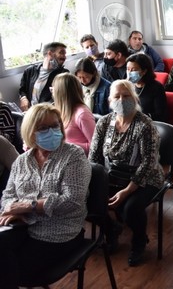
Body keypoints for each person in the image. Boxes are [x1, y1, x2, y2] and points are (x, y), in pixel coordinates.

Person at [0, 103, 91, 288]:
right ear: (30, 131)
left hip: (59, 232)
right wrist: (13, 209)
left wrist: (26, 206)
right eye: (43, 128)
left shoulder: (73, 156)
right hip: (23, 226)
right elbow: (7, 196)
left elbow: (71, 200)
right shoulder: (22, 161)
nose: (51, 132)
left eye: (55, 126)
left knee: (12, 270)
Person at [88, 80, 164, 267]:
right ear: (110, 100)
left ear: (135, 97)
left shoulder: (145, 125)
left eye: (126, 95)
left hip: (145, 177)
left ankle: (139, 241)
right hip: (113, 176)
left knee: (130, 209)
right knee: (88, 199)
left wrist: (127, 191)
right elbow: (94, 158)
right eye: (117, 96)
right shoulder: (104, 123)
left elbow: (148, 163)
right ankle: (111, 229)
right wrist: (95, 183)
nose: (121, 100)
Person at [52, 73, 96, 155]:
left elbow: (95, 146)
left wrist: (66, 146)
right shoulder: (59, 110)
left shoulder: (82, 114)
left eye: (53, 89)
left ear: (61, 92)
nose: (52, 93)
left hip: (78, 160)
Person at [18, 42, 68, 111]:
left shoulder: (64, 74)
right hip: (31, 112)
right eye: (61, 53)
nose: (65, 57)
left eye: (65, 54)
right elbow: (22, 89)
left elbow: (63, 97)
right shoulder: (30, 70)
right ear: (50, 54)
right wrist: (23, 98)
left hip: (49, 113)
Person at [126, 53, 167, 122]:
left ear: (144, 71)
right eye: (128, 69)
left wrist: (138, 117)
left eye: (133, 70)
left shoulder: (157, 88)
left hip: (148, 124)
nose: (129, 73)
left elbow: (160, 115)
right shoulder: (127, 86)